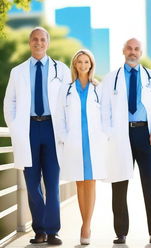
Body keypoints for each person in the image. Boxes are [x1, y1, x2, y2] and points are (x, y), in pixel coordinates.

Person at [3, 27, 70, 245]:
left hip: (52, 130)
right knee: (32, 183)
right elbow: (9, 102)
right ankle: (39, 229)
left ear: (47, 43)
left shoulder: (61, 69)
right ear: (30, 42)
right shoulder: (18, 71)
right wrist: (14, 126)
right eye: (35, 39)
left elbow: (69, 100)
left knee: (52, 183)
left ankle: (52, 231)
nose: (38, 43)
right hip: (28, 130)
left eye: (42, 39)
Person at [101, 38, 151, 245]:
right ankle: (120, 232)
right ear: (123, 50)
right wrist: (111, 134)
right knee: (119, 183)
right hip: (121, 135)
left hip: (145, 133)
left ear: (141, 52)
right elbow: (105, 111)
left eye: (136, 49)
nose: (133, 52)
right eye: (129, 48)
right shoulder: (111, 79)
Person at [55, 49, 107, 245]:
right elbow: (59, 115)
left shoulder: (98, 88)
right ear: (75, 65)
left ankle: (86, 225)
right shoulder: (66, 88)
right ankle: (85, 222)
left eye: (86, 62)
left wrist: (103, 135)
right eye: (79, 62)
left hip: (93, 142)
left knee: (90, 181)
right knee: (79, 182)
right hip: (74, 142)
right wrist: (64, 136)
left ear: (91, 65)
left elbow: (105, 115)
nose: (83, 65)